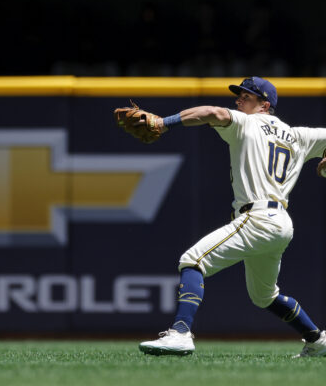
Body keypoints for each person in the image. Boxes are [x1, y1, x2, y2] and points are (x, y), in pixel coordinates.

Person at [139, 76, 326, 358]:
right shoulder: (298, 135)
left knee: (193, 260)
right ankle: (318, 340)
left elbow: (210, 113)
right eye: (239, 95)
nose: (239, 100)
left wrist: (164, 123)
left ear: (265, 105)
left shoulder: (245, 122)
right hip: (281, 224)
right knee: (264, 296)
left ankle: (180, 333)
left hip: (258, 218)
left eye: (247, 96)